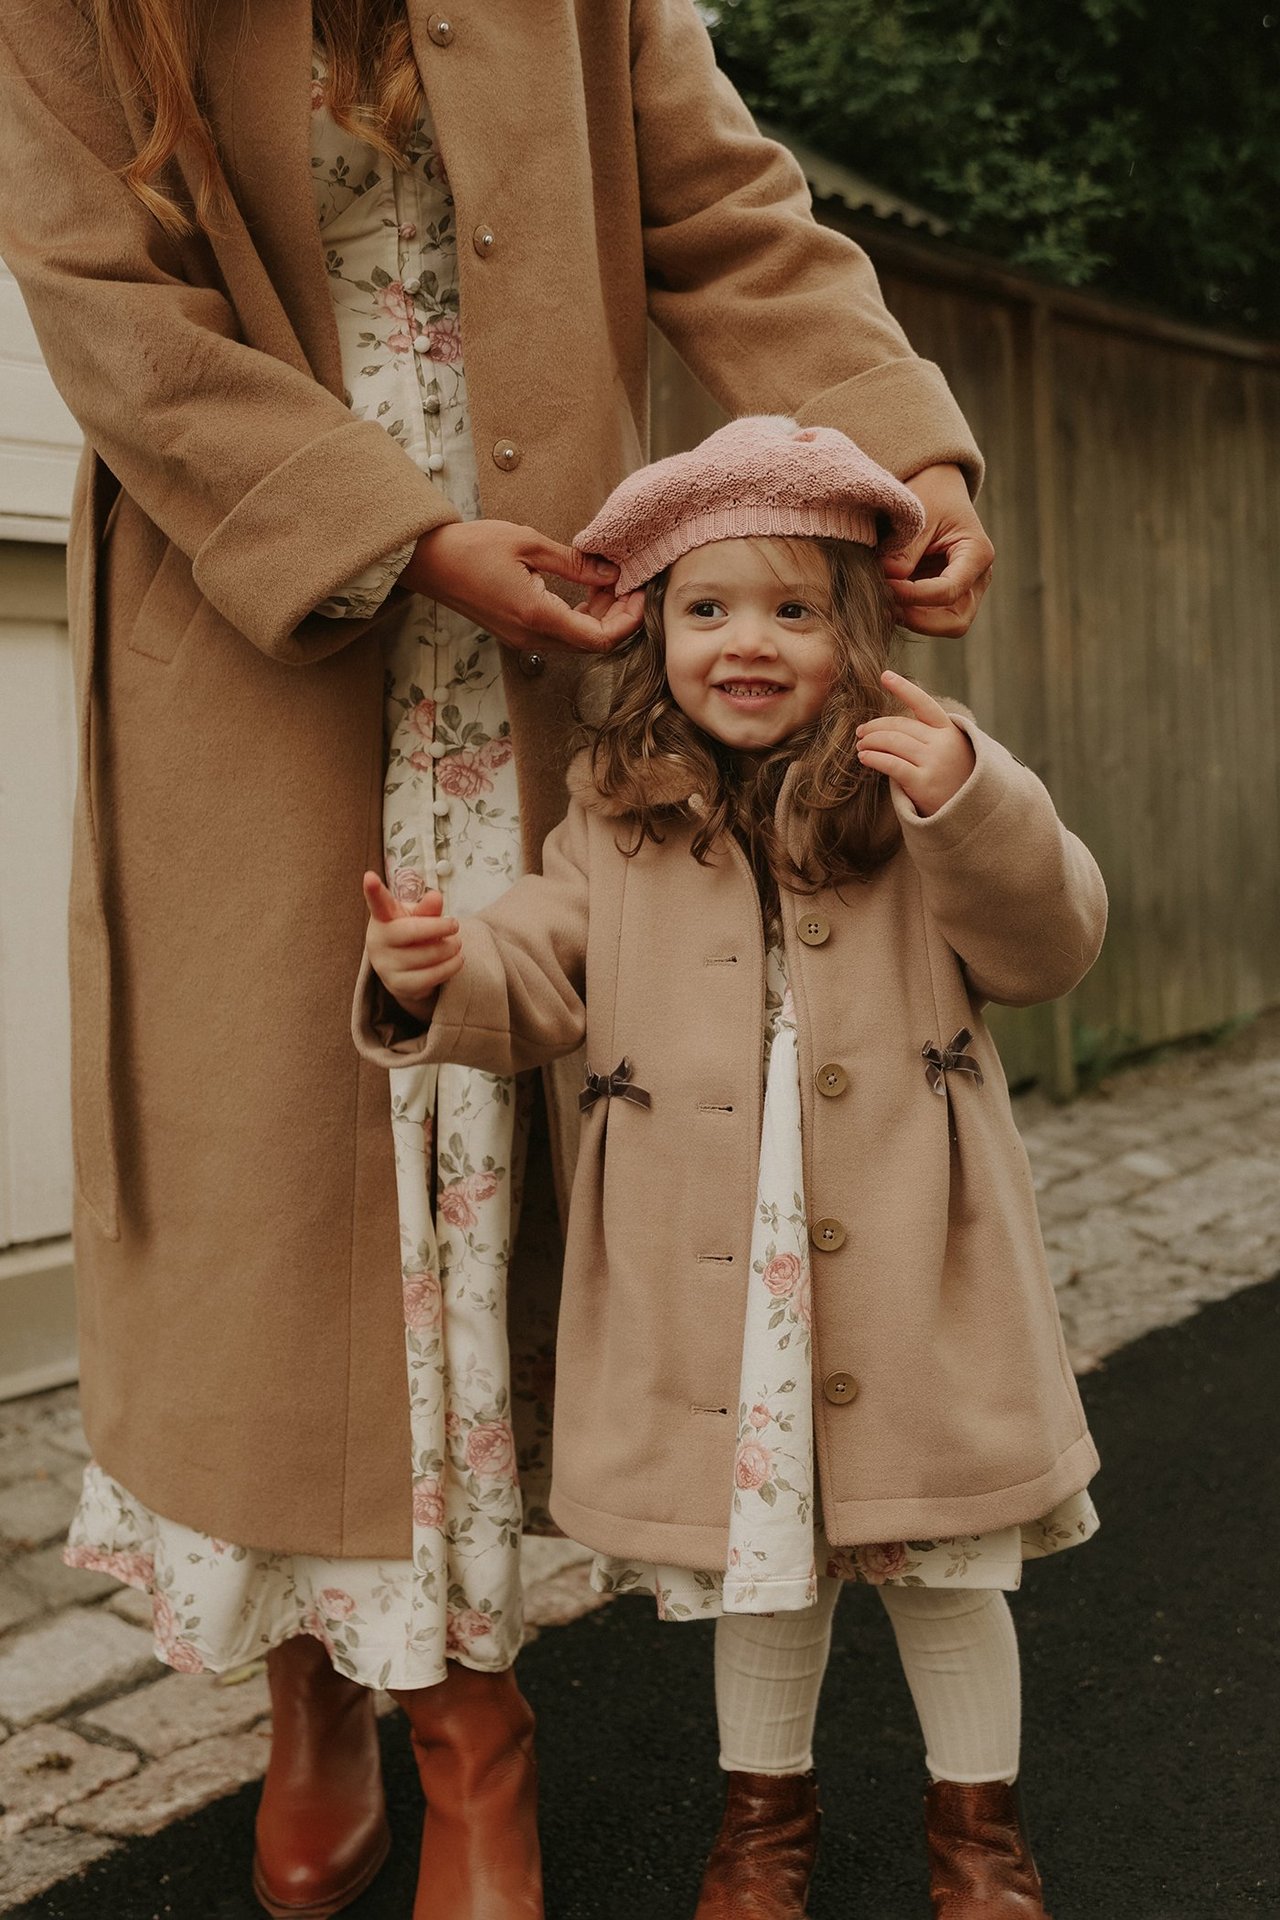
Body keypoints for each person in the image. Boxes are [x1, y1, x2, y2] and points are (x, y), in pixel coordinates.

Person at [0, 4, 993, 1915]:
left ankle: (470, 1713)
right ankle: (321, 1669)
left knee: (490, 1166)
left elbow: (725, 210)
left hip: (553, 618)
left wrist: (905, 450)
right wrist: (405, 532)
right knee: (291, 1186)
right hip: (255, 614)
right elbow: (105, 310)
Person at [358, 416, 1106, 1920]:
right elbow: (542, 966)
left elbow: (1051, 939)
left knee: (947, 1566)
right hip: (727, 1277)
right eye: (707, 610)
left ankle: (980, 1842)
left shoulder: (921, 788)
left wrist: (973, 796)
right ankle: (762, 1832)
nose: (745, 644)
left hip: (909, 1257)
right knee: (760, 1564)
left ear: (856, 630)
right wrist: (435, 971)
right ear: (658, 635)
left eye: (793, 609)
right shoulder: (616, 817)